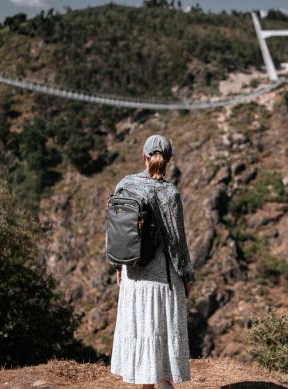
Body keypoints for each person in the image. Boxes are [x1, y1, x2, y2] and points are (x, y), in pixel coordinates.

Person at [110, 135, 195, 389]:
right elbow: (176, 241)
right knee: (163, 354)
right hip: (162, 281)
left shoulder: (124, 185)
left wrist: (118, 266)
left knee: (144, 341)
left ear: (143, 156)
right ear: (167, 160)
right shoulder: (169, 193)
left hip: (133, 275)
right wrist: (186, 275)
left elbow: (115, 231)